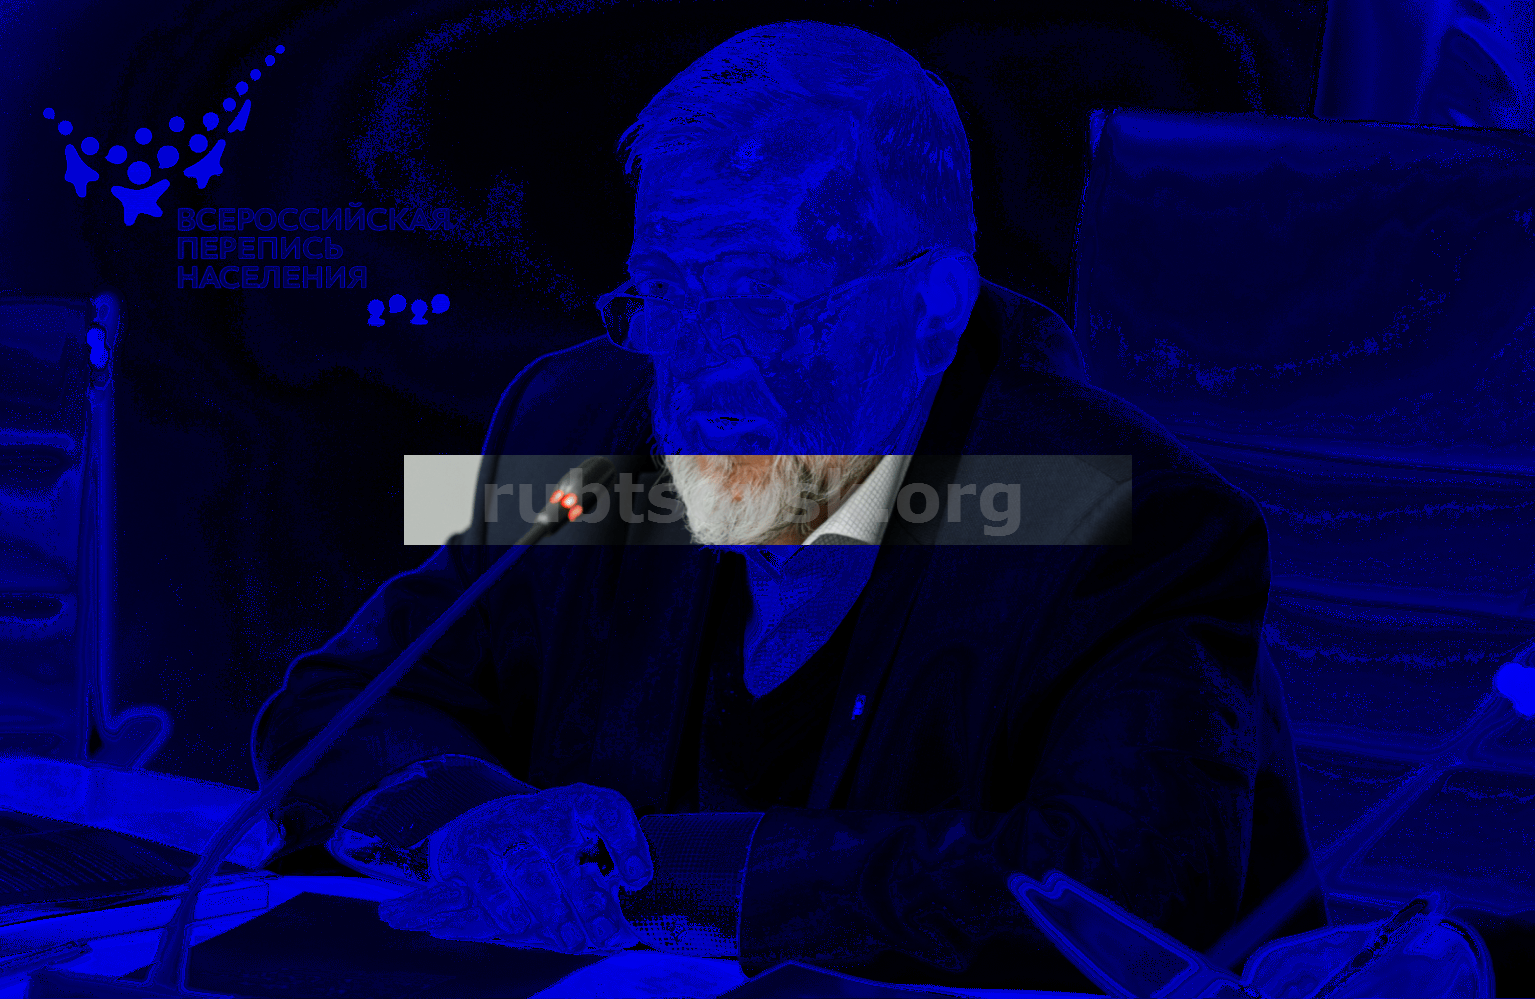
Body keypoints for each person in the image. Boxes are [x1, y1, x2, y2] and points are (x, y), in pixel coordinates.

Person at [251, 20, 1325, 990]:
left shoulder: (1125, 519)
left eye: (763, 295)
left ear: (931, 308)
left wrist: (647, 872)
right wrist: (475, 822)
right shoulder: (576, 424)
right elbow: (339, 702)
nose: (699, 372)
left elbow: (1121, 888)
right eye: (666, 293)